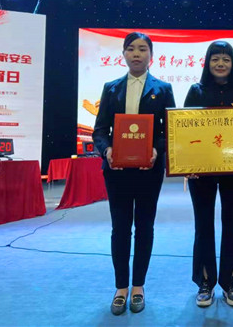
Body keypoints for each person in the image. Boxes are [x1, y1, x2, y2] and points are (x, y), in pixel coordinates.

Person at [93, 32, 175, 316]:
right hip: (116, 170)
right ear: (124, 54)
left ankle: (138, 286)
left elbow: (169, 130)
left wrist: (155, 150)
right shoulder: (111, 88)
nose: (137, 54)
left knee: (144, 226)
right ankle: (120, 288)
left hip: (148, 170)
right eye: (131, 49)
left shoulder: (163, 89)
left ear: (151, 55)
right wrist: (106, 150)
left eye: (142, 49)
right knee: (120, 228)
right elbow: (100, 130)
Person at [184, 41, 233, 308]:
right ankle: (205, 282)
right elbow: (185, 130)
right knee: (203, 224)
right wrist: (187, 163)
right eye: (215, 59)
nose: (220, 64)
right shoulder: (196, 91)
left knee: (232, 223)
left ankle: (231, 281)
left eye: (226, 59)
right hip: (201, 171)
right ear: (208, 63)